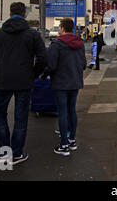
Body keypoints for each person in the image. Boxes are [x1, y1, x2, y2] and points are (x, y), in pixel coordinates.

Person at [0, 2, 47, 165]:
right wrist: (33, 73)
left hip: (3, 81)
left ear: (10, 14)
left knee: (0, 115)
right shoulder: (32, 35)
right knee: (20, 117)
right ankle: (17, 153)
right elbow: (43, 58)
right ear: (24, 14)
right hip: (24, 81)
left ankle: (4, 152)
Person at [42, 18, 86, 156]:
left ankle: (64, 144)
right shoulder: (80, 43)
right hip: (75, 81)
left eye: (59, 27)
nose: (59, 29)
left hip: (61, 82)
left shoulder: (57, 44)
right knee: (72, 110)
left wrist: (43, 75)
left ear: (62, 28)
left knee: (62, 112)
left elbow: (52, 65)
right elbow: (83, 64)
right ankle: (72, 140)